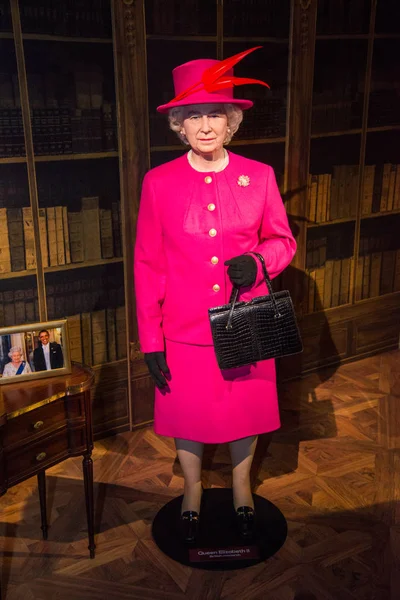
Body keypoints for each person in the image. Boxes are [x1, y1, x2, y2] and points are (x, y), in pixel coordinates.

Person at [134, 47, 297, 543]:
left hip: (243, 323)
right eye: (193, 116)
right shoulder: (158, 183)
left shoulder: (260, 177)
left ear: (231, 123)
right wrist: (150, 339)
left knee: (242, 409)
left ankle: (243, 485)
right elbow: (147, 264)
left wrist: (260, 262)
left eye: (216, 115)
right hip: (183, 328)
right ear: (179, 125)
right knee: (189, 412)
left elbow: (283, 241)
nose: (205, 125)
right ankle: (192, 489)